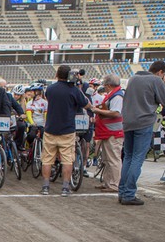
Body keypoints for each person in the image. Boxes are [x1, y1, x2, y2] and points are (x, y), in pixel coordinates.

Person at [119, 60, 165, 205]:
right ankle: (129, 194)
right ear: (160, 72)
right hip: (144, 122)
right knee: (137, 158)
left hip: (128, 122)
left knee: (128, 157)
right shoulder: (156, 80)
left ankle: (122, 191)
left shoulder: (133, 79)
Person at [40, 65, 90, 196]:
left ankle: (45, 186)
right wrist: (78, 87)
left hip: (51, 128)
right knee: (67, 160)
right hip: (67, 130)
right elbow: (86, 104)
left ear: (57, 74)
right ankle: (65, 188)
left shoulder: (50, 89)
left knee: (47, 159)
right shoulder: (73, 90)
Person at [92, 74, 124, 193]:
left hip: (113, 132)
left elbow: (115, 113)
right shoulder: (113, 95)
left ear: (109, 85)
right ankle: (107, 182)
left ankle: (114, 184)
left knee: (113, 159)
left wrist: (97, 110)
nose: (104, 87)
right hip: (108, 131)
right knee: (107, 159)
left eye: (105, 85)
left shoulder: (117, 96)